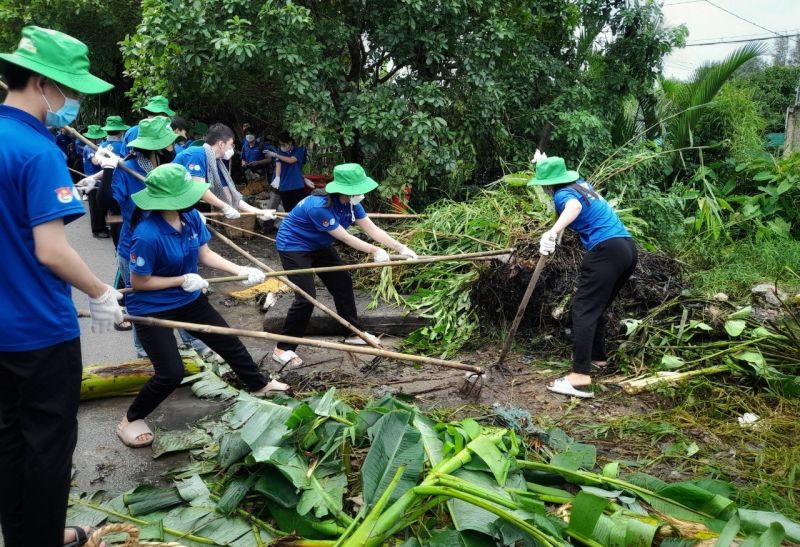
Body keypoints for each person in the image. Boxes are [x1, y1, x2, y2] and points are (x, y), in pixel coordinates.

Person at [0, 25, 123, 547]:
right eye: (69, 90)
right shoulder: (35, 147)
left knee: (7, 443)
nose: (70, 101)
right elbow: (51, 250)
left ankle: (25, 534)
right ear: (42, 83)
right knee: (47, 447)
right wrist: (100, 291)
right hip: (36, 333)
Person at [117, 164, 289, 447]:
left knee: (226, 339)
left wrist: (240, 270)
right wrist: (181, 279)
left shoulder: (191, 217)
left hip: (188, 298)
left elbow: (205, 255)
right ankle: (130, 419)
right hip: (151, 306)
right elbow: (139, 283)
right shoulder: (147, 235)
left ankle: (259, 384)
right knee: (170, 372)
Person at [272, 163, 417, 367]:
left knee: (342, 282)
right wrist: (374, 251)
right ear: (345, 189)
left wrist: (400, 248)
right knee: (305, 297)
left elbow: (372, 230)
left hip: (319, 244)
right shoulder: (318, 207)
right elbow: (346, 238)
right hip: (293, 246)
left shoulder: (351, 203)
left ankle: (352, 332)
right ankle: (283, 348)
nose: (362, 193)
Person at [97, 116, 213, 357]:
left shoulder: (171, 166)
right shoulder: (127, 169)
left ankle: (198, 347)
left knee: (186, 293)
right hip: (140, 247)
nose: (175, 147)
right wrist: (108, 171)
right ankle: (145, 355)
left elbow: (187, 191)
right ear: (160, 147)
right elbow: (106, 202)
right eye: (170, 144)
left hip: (174, 244)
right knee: (144, 305)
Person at [527, 156, 637, 398]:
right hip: (626, 249)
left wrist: (552, 231)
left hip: (605, 251)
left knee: (583, 309)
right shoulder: (583, 186)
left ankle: (579, 377)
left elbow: (573, 208)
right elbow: (578, 206)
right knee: (596, 307)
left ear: (547, 185)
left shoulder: (562, 195)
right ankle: (597, 358)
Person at [173, 123, 276, 221]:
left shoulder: (216, 163)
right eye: (231, 144)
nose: (232, 148)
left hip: (181, 205)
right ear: (221, 144)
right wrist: (225, 207)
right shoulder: (197, 154)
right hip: (169, 203)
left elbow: (230, 195)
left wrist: (258, 212)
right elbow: (199, 189)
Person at [266, 131, 313, 212]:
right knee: (288, 211)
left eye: (284, 144)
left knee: (300, 210)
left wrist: (276, 155)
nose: (282, 146)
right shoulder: (280, 151)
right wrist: (277, 177)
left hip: (297, 186)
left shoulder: (299, 151)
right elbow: (278, 165)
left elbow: (291, 160)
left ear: (290, 142)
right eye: (281, 145)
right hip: (284, 187)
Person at [81, 124, 110, 237]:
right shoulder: (89, 147)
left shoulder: (97, 147)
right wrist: (106, 156)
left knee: (101, 206)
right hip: (92, 181)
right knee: (95, 208)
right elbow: (95, 162)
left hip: (99, 181)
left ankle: (102, 227)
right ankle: (97, 230)